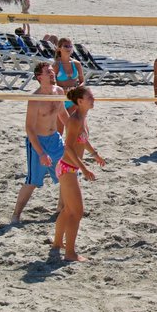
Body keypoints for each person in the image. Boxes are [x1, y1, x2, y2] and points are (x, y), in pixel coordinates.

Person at [51, 86, 105, 262]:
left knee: (68, 210)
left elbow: (83, 139)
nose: (93, 99)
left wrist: (95, 154)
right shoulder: (74, 119)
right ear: (80, 101)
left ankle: (58, 243)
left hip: (70, 167)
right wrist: (84, 168)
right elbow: (68, 147)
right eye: (89, 97)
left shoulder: (82, 118)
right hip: (68, 168)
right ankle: (70, 253)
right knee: (76, 212)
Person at [12, 62, 69, 224]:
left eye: (52, 71)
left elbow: (63, 116)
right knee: (33, 181)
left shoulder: (59, 91)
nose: (52, 73)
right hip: (37, 141)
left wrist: (76, 129)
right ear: (39, 77)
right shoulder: (35, 99)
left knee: (67, 175)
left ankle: (61, 209)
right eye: (48, 72)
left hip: (55, 140)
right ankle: (16, 214)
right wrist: (41, 153)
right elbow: (29, 129)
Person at [53, 38, 85, 133]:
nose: (69, 48)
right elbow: (52, 84)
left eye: (70, 46)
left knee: (76, 129)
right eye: (66, 46)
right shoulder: (56, 65)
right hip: (61, 100)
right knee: (60, 130)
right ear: (59, 49)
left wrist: (77, 90)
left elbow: (83, 81)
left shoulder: (76, 63)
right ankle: (61, 147)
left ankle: (75, 147)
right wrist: (63, 89)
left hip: (73, 99)